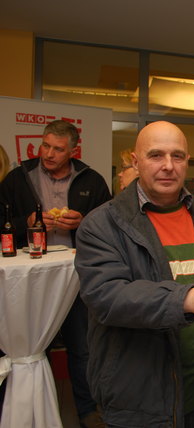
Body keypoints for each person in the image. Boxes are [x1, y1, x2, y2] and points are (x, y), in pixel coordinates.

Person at [74, 121, 194, 427]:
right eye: (156, 155)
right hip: (139, 397)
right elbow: (107, 297)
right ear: (135, 161)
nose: (168, 166)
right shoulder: (102, 224)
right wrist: (189, 297)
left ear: (187, 161)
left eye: (177, 156)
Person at [0, 119, 110, 428]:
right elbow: (1, 223)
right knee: (34, 347)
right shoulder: (18, 178)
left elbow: (111, 224)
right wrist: (26, 223)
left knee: (82, 347)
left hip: (76, 277)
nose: (48, 154)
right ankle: (31, 410)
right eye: (45, 145)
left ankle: (88, 412)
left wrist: (84, 222)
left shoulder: (92, 180)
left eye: (58, 149)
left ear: (73, 150)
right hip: (30, 281)